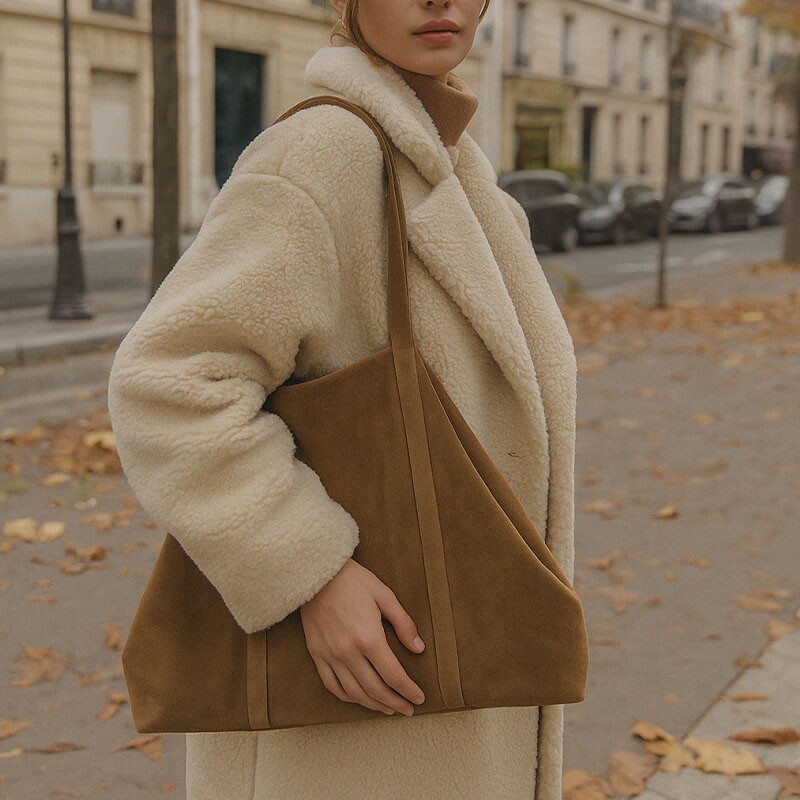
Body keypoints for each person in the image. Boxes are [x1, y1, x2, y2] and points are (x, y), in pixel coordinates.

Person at [106, 0, 579, 797]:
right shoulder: (322, 153)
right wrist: (309, 571)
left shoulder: (464, 180)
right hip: (354, 713)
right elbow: (170, 382)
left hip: (444, 694)